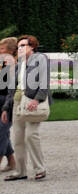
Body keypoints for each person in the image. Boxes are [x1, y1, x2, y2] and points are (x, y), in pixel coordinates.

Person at [2, 34, 51, 181]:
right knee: (18, 138)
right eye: (19, 46)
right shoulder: (18, 65)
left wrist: (37, 100)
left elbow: (44, 82)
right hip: (18, 104)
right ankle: (20, 171)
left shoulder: (40, 60)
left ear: (32, 47)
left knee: (31, 135)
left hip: (32, 102)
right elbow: (12, 90)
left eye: (23, 45)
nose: (20, 48)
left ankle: (40, 169)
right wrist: (6, 109)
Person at [0, 38, 17, 174]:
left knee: (1, 131)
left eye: (2, 49)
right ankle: (11, 160)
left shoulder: (13, 65)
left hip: (8, 101)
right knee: (3, 132)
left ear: (11, 51)